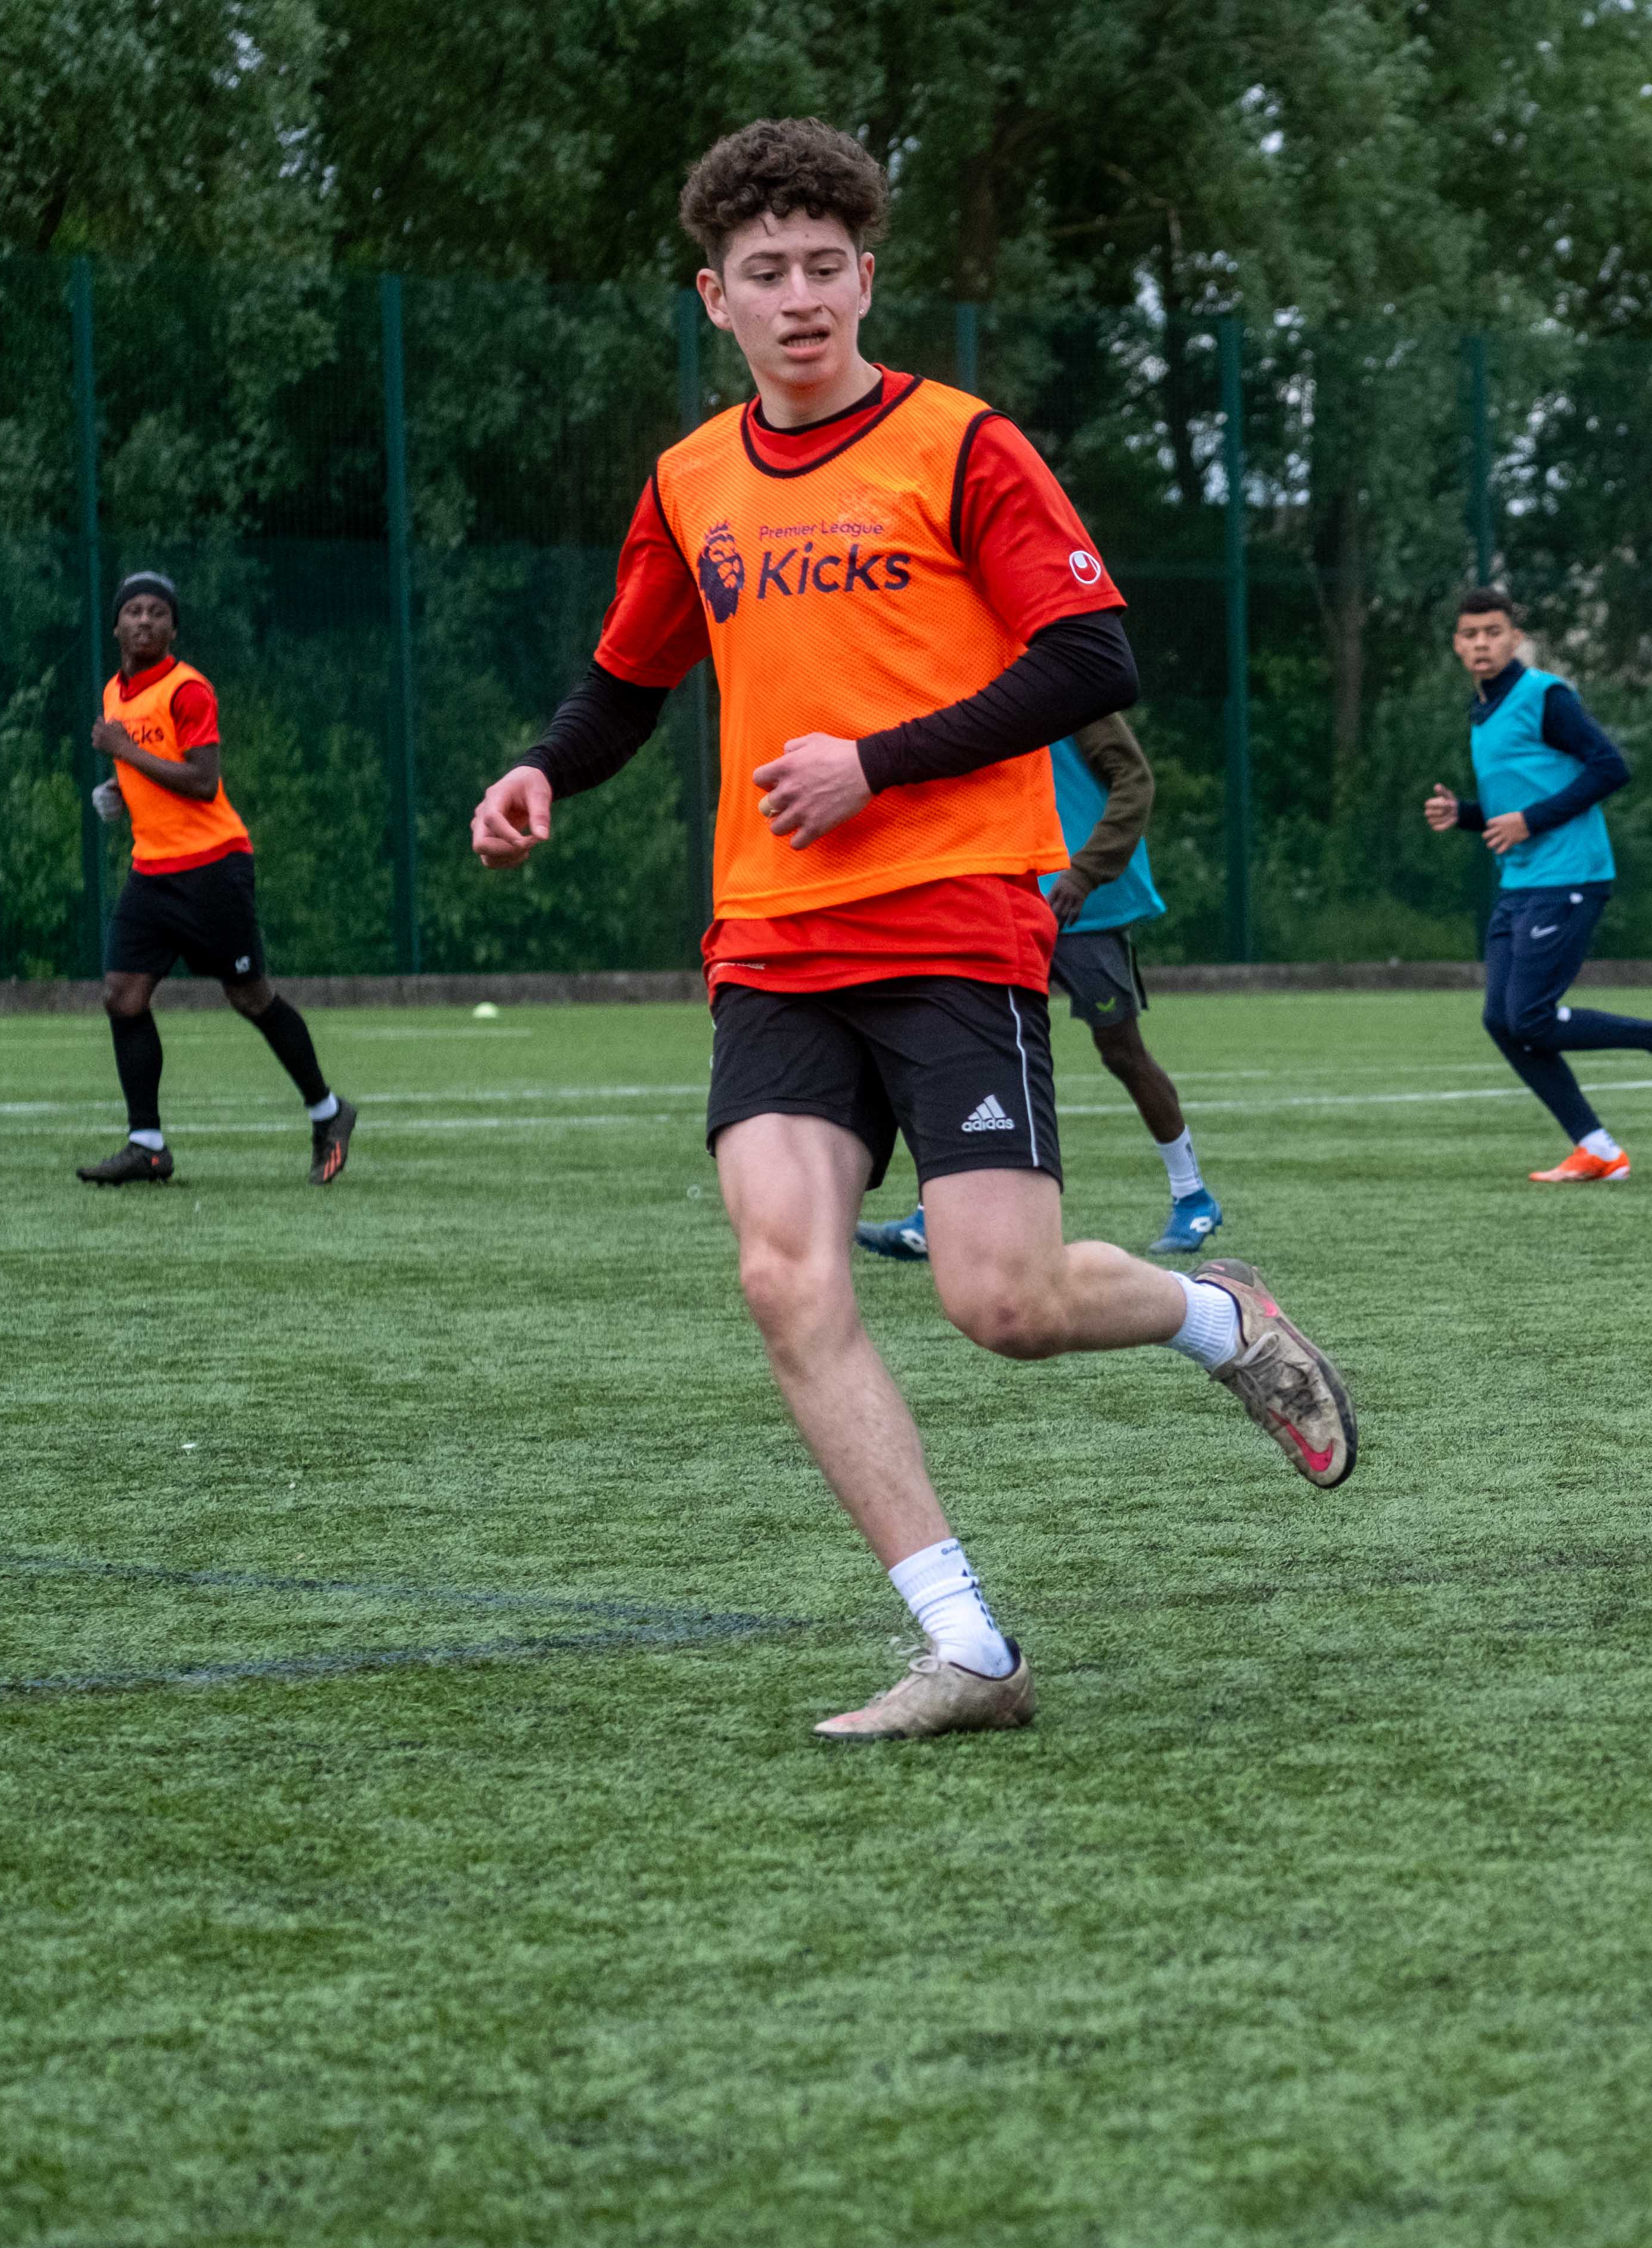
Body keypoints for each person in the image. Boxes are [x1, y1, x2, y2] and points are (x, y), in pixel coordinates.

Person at [467, 118, 1358, 1743]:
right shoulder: (688, 482)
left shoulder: (961, 444)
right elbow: (624, 684)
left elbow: (1091, 660)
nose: (799, 298)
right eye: (765, 275)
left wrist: (878, 761)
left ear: (867, 279)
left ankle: (1221, 1316)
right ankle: (970, 1649)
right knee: (782, 1276)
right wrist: (539, 769)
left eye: (826, 268)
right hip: (771, 943)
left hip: (955, 920)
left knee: (1000, 1307)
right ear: (713, 299)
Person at [856, 712, 1226, 1261]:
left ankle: (1193, 1196)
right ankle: (936, 1217)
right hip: (1002, 897)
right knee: (960, 1050)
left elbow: (1136, 781)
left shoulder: (1070, 686)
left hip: (1082, 907)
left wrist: (1084, 874)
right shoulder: (968, 684)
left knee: (1122, 1051)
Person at [1421, 587, 1652, 1180]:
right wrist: (1468, 814)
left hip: (1572, 875)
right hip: (1522, 881)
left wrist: (1530, 820)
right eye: (1470, 634)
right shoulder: (1482, 712)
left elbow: (1611, 766)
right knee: (1501, 1021)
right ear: (1457, 645)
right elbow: (1519, 800)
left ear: (1514, 637)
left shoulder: (1545, 696)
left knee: (1529, 1015)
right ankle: (1599, 1149)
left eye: (1493, 631)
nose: (1482, 642)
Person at [72, 572, 356, 1187]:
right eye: (133, 612)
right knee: (122, 996)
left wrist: (124, 752)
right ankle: (147, 1145)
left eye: (157, 613)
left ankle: (329, 1112)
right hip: (152, 872)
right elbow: (151, 766)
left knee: (251, 997)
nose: (144, 621)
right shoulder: (114, 694)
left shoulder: (188, 687)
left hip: (212, 867)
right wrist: (121, 789)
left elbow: (202, 781)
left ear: (173, 628)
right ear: (116, 625)